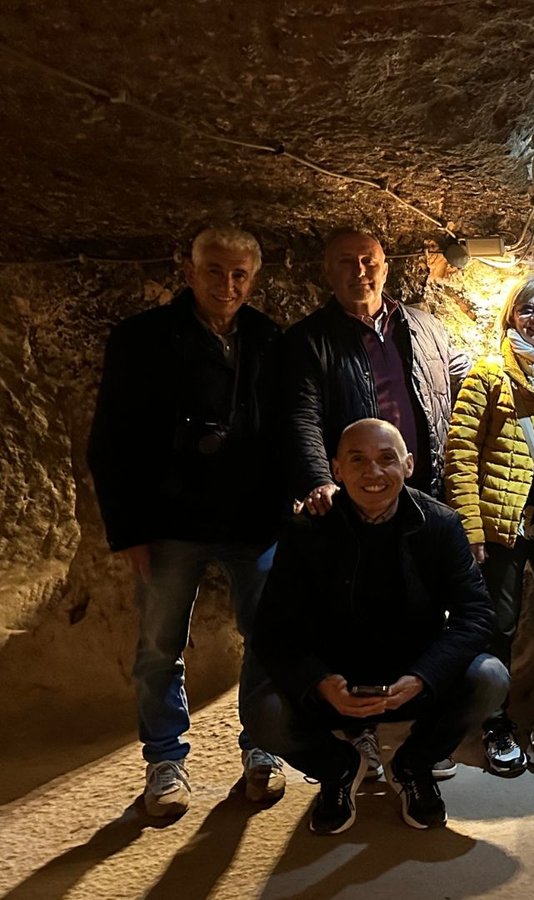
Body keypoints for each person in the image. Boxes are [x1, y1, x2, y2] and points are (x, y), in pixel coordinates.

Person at [87, 226, 285, 817]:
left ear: (253, 279)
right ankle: (165, 761)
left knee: (268, 639)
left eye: (240, 274)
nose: (228, 285)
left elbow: (289, 427)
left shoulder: (270, 340)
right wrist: (128, 531)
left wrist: (291, 509)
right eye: (216, 270)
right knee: (159, 644)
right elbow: (110, 442)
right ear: (189, 271)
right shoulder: (142, 339)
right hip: (170, 519)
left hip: (252, 519)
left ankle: (263, 749)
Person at [243, 419, 505, 834]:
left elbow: (476, 615)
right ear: (336, 469)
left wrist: (424, 677)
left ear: (409, 464)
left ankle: (412, 765)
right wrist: (320, 681)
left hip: (411, 674)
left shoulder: (440, 525)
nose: (373, 473)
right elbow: (273, 628)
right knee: (262, 713)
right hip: (336, 679)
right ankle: (339, 769)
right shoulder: (308, 529)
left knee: (490, 677)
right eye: (357, 460)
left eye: (387, 459)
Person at [443, 275, 534, 781]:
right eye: (527, 309)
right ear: (511, 318)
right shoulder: (489, 375)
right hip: (502, 523)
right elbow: (460, 450)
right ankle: (495, 723)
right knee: (498, 624)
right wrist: (471, 528)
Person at [281, 230, 466, 511]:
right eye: (346, 262)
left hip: (428, 495)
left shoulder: (427, 327)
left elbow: (451, 395)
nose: (359, 271)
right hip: (357, 499)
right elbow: (303, 417)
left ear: (385, 270)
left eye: (369, 261)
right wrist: (318, 480)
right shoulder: (308, 340)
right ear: (328, 273)